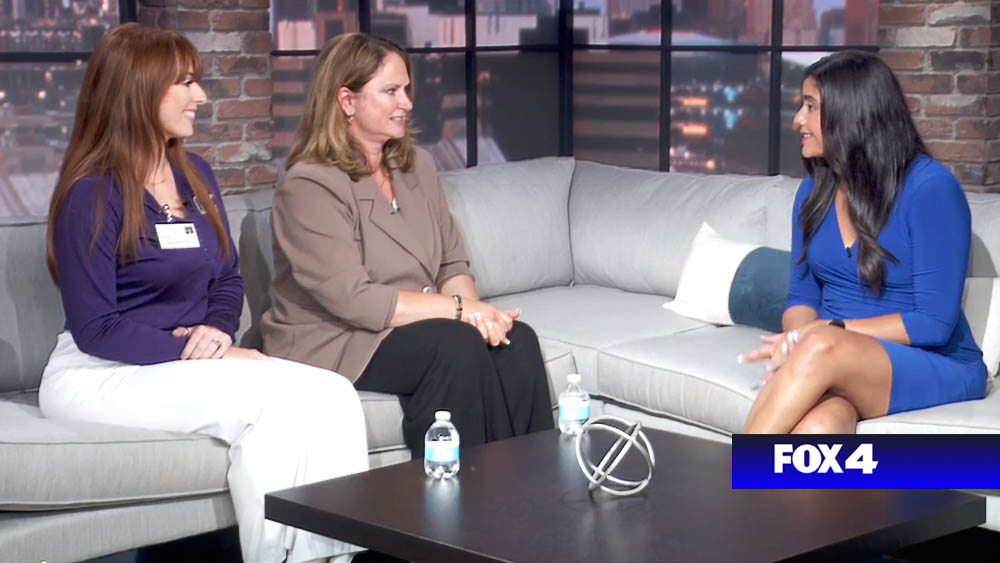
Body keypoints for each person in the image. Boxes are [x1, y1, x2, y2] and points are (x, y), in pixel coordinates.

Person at [41, 24, 368, 563]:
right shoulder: (91, 194)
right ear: (139, 90)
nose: (202, 97)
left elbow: (227, 278)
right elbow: (96, 329)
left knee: (331, 392)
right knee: (269, 406)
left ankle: (335, 556)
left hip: (190, 357)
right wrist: (203, 352)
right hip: (101, 370)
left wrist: (217, 330)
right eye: (186, 83)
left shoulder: (195, 174)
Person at [261, 33, 554, 457]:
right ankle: (461, 504)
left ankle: (533, 489)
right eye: (391, 91)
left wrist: (480, 319)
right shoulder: (310, 184)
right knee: (453, 346)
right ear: (347, 100)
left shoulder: (418, 166)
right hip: (338, 337)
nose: (407, 103)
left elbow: (452, 261)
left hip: (414, 323)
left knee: (515, 340)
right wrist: (461, 313)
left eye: (407, 89)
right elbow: (354, 300)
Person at [739, 51, 988, 434]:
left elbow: (934, 324)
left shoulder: (931, 189)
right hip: (833, 354)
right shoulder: (813, 190)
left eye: (810, 107)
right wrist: (795, 339)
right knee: (817, 429)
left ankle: (730, 486)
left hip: (931, 361)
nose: (798, 121)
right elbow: (801, 298)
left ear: (852, 113)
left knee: (822, 347)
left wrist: (826, 333)